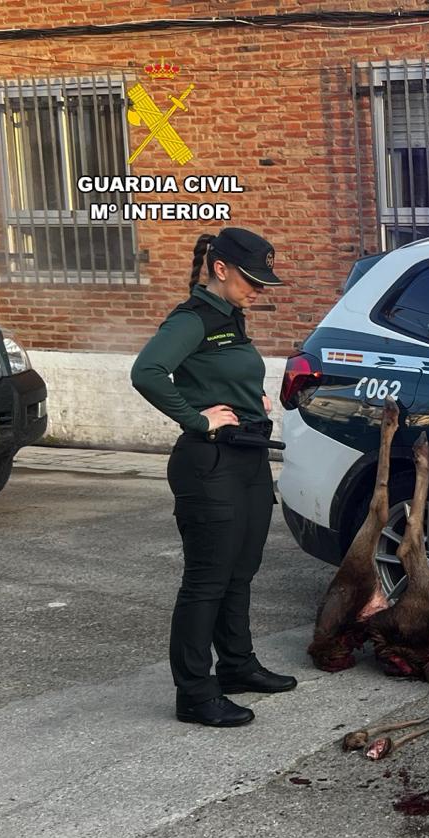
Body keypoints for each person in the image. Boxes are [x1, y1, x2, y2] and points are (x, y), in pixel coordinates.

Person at [130, 228, 296, 728]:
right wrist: (199, 419)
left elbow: (221, 372)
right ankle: (196, 694)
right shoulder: (192, 318)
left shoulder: (230, 316)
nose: (259, 290)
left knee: (241, 571)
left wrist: (251, 400)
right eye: (252, 279)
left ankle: (238, 666)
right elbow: (148, 372)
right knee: (206, 581)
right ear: (221, 269)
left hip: (246, 458)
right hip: (209, 465)